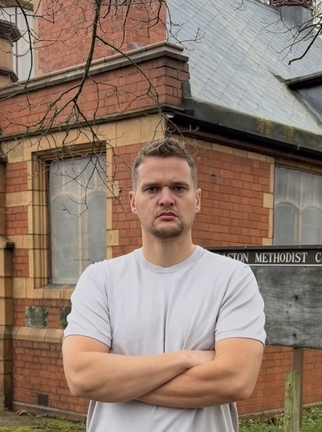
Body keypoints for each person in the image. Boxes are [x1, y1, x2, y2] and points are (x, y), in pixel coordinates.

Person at [62, 137, 266, 432]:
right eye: (152, 189)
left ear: (197, 199)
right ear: (133, 201)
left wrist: (119, 382)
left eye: (178, 188)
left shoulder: (232, 278)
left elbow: (235, 380)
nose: (166, 199)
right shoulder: (100, 280)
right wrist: (186, 358)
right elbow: (82, 377)